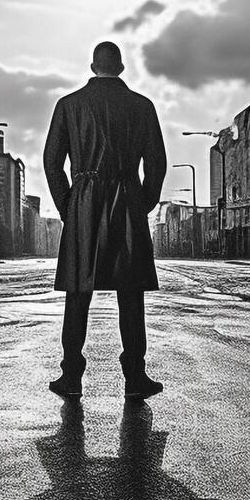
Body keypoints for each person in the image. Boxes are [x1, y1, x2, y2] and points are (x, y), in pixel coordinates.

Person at [43, 41, 168, 400]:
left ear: (92, 65)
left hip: (83, 202)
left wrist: (69, 206)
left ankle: (71, 377)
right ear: (122, 67)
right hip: (128, 199)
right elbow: (156, 163)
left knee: (78, 293)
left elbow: (52, 162)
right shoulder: (142, 106)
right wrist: (142, 202)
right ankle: (134, 377)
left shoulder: (69, 105)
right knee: (131, 295)